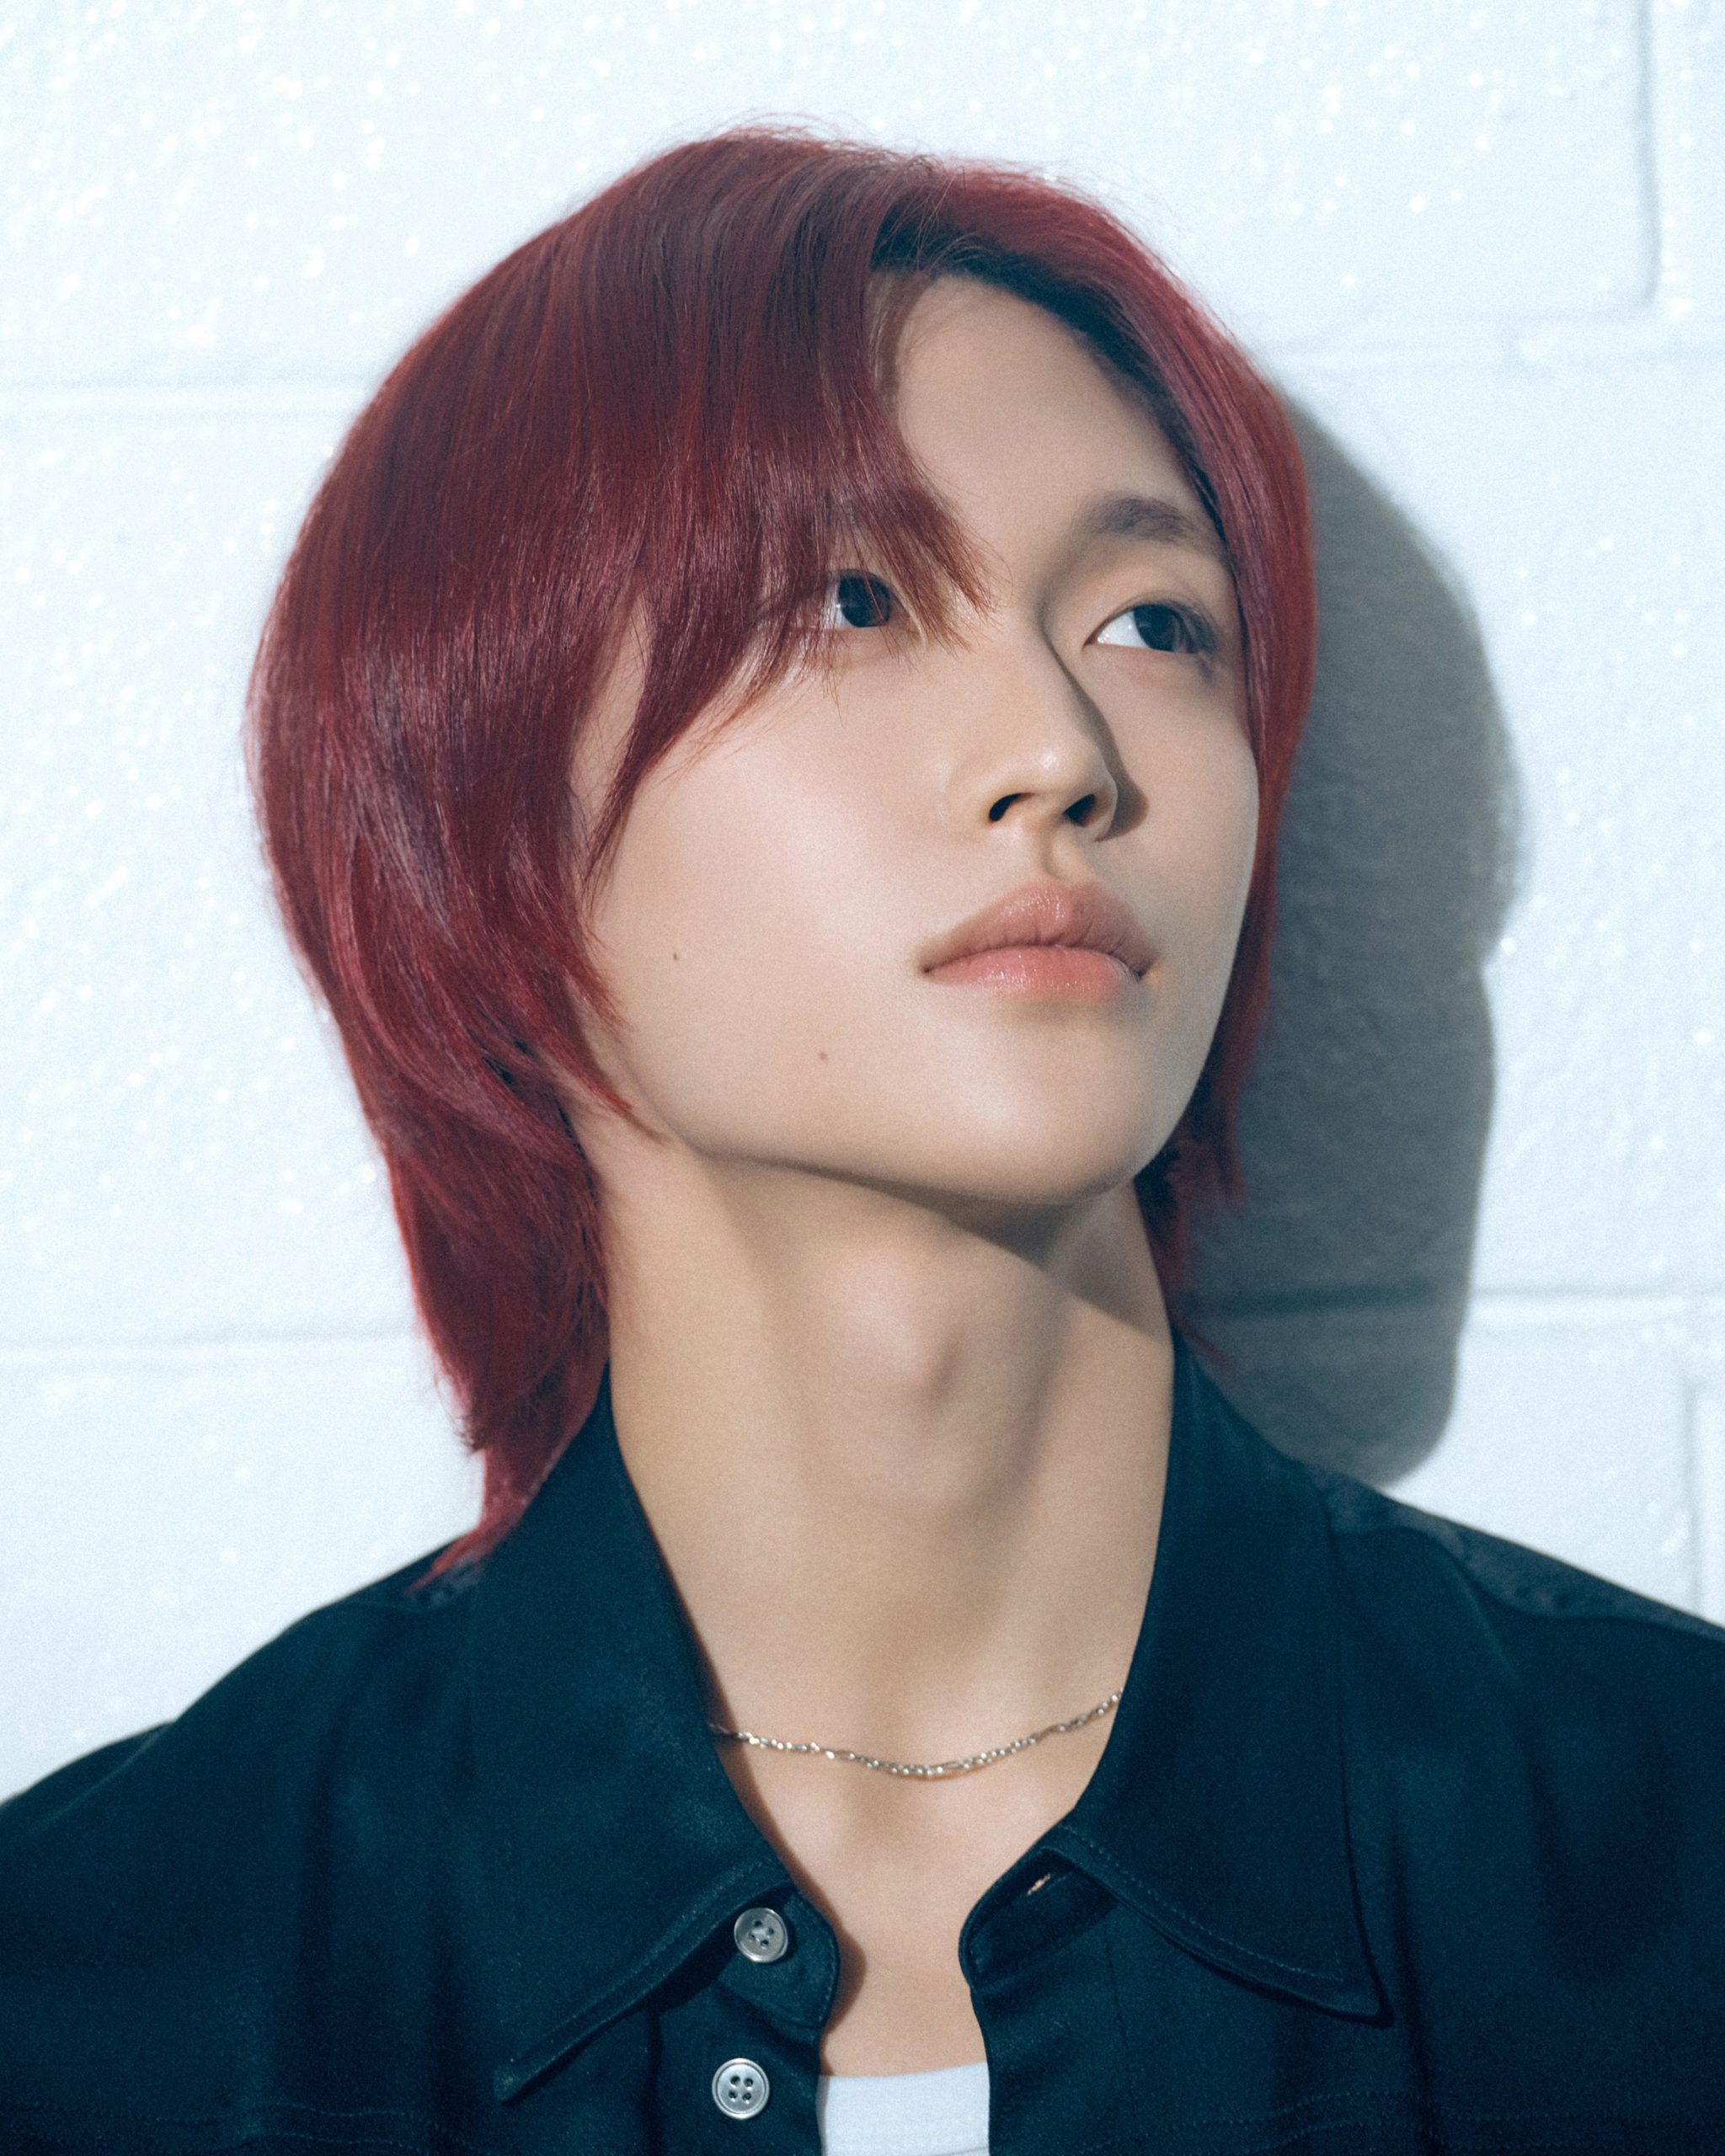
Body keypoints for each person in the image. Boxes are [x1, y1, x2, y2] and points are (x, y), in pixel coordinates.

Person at [1, 125, 1721, 2156]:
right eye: (854, 597)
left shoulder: (1666, 1870)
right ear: (474, 795)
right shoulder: (106, 1988)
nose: (1062, 754)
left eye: (1153, 623)